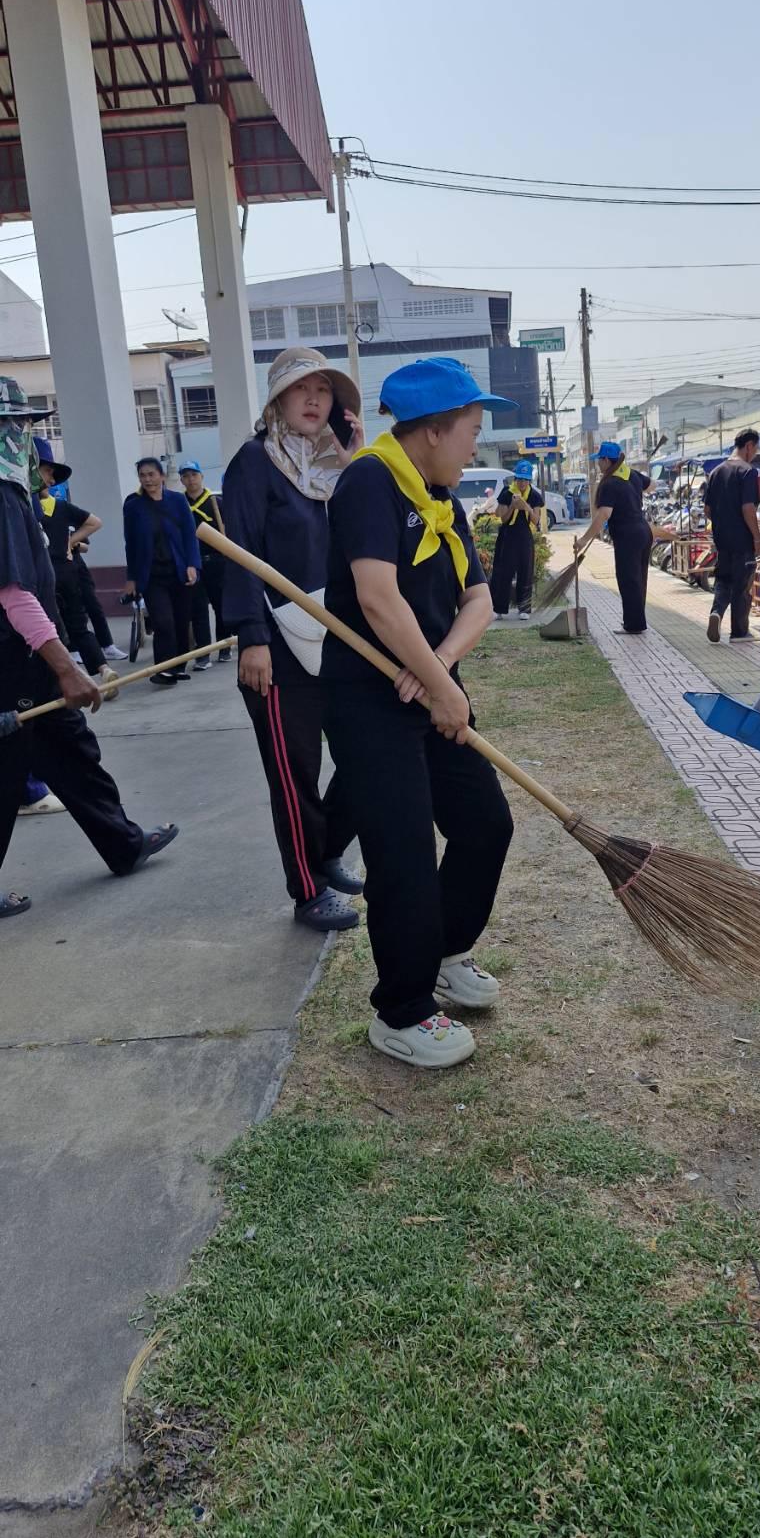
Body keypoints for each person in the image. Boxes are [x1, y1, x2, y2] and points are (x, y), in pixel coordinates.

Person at [318, 356, 516, 1068]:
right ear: (432, 430)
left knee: (485, 824)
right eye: (470, 427)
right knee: (401, 850)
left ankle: (443, 952)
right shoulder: (368, 482)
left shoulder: (443, 497)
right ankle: (400, 1011)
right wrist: (438, 680)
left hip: (431, 690)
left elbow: (480, 600)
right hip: (367, 699)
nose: (475, 441)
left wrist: (437, 672)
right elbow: (376, 597)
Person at [0, 381, 177, 918]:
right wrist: (67, 669)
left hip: (28, 662)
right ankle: (123, 843)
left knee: (73, 754)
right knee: (9, 772)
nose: (25, 438)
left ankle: (123, 844)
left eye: (28, 427)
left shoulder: (18, 496)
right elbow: (12, 593)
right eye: (18, 427)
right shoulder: (4, 498)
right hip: (16, 665)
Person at [221, 347, 364, 933]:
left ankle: (326, 849)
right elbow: (239, 556)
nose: (313, 399)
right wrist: (251, 637)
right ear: (277, 399)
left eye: (324, 390)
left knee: (363, 752)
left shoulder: (341, 468)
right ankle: (307, 889)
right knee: (294, 770)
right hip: (277, 646)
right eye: (300, 388)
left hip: (338, 638)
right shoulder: (254, 464)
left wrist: (358, 461)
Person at [31, 436, 109, 679]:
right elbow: (94, 523)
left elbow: (95, 523)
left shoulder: (38, 506)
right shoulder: (29, 504)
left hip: (48, 576)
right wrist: (72, 542)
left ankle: (78, 676)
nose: (51, 480)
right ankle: (101, 670)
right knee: (74, 627)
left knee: (53, 631)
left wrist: (71, 541)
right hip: (62, 572)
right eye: (48, 472)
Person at [122, 457, 200, 686]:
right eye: (143, 475)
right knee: (163, 622)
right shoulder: (133, 506)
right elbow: (131, 544)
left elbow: (189, 534)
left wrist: (192, 564)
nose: (148, 480)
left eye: (151, 474)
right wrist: (132, 578)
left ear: (162, 476)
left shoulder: (177, 501)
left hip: (179, 571)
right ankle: (163, 669)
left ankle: (178, 667)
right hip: (152, 575)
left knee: (181, 620)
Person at [575, 440, 652, 635]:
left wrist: (584, 540)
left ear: (607, 461)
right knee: (639, 578)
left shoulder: (610, 483)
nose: (598, 464)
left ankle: (633, 625)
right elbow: (652, 485)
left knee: (628, 579)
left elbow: (604, 514)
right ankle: (637, 621)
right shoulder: (631, 475)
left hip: (628, 535)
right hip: (643, 532)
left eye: (599, 460)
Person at [704, 428, 760, 643]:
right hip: (742, 540)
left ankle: (716, 613)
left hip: (722, 539)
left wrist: (723, 523)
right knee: (742, 584)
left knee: (723, 579)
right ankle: (739, 632)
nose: (755, 454)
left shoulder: (716, 472)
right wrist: (758, 539)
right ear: (749, 446)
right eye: (756, 449)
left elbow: (708, 510)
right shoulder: (747, 471)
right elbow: (748, 508)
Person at [179, 460, 231, 666]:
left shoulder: (216, 502)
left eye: (194, 474)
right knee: (197, 609)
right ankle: (203, 653)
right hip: (192, 563)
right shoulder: (179, 503)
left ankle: (224, 647)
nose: (190, 479)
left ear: (201, 476)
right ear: (181, 479)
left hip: (217, 561)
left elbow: (228, 529)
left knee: (221, 607)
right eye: (186, 476)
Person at [489, 457, 542, 619]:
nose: (522, 483)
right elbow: (503, 519)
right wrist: (512, 506)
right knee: (503, 572)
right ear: (515, 478)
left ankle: (524, 609)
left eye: (526, 480)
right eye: (520, 479)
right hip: (507, 536)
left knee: (525, 571)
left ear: (529, 481)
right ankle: (498, 609)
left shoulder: (534, 495)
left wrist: (526, 506)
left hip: (524, 536)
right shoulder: (507, 493)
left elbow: (536, 520)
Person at [75, 545, 127, 659]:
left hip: (77, 565)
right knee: (72, 612)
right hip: (57, 566)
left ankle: (107, 645)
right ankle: (74, 650)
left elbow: (85, 547)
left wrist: (71, 543)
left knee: (94, 606)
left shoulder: (73, 527)